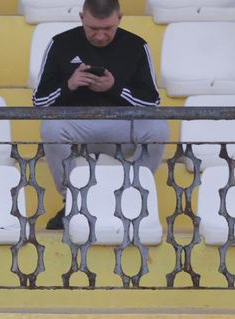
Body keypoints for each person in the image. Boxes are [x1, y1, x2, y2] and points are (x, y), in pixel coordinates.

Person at [32, 0, 169, 230]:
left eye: (108, 29)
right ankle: (73, 200)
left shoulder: (136, 46)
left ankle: (133, 194)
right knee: (51, 128)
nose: (100, 36)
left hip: (122, 126)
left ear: (119, 19)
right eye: (93, 29)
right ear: (82, 18)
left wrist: (115, 88)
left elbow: (152, 101)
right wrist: (70, 85)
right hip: (78, 125)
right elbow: (39, 102)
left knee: (159, 129)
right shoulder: (61, 43)